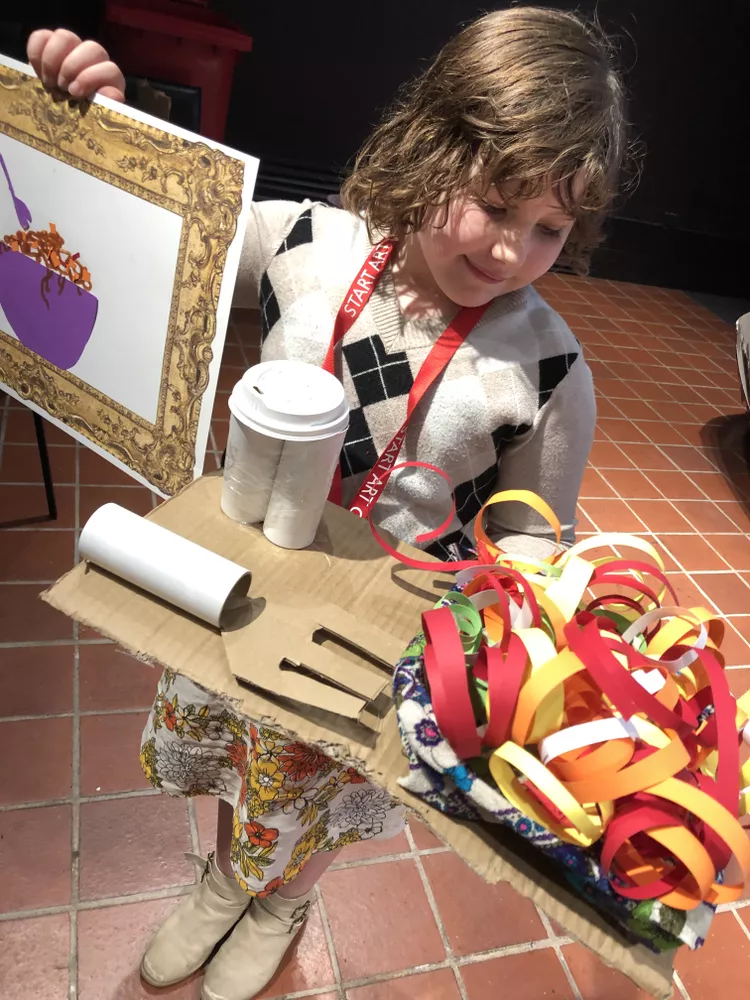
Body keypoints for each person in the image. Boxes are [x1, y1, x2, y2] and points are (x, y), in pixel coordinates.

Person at [27, 9, 629, 1000]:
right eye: (494, 204)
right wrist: (109, 122)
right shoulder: (304, 240)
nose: (511, 251)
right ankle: (230, 880)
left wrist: (538, 619)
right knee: (241, 749)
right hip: (240, 586)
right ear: (431, 144)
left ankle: (284, 901)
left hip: (371, 633)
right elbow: (155, 234)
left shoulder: (550, 366)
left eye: (550, 230)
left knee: (325, 775)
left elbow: (531, 526)